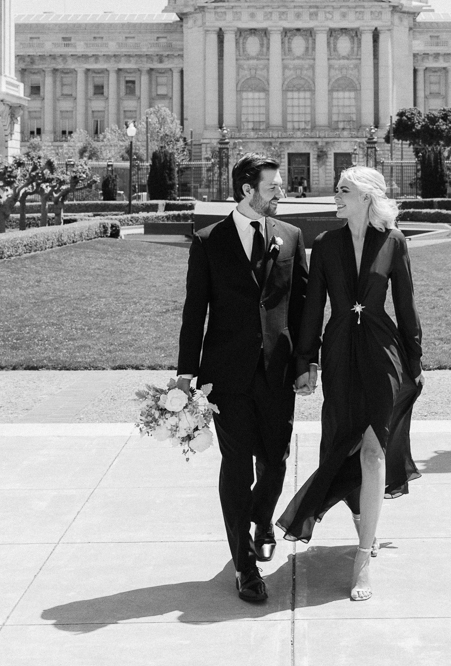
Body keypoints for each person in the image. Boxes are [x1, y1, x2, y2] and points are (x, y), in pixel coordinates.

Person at [276, 165, 423, 601]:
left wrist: (414, 361)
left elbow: (407, 305)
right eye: (338, 190)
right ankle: (365, 521)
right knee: (343, 442)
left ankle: (362, 558)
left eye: (343, 190)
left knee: (375, 449)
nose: (336, 195)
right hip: (340, 351)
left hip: (382, 352)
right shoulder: (325, 244)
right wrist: (307, 360)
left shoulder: (393, 242)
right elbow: (312, 309)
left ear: (365, 196)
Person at [176, 155, 308, 604]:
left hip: (278, 370)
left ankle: (261, 519)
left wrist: (309, 361)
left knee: (275, 462)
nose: (280, 192)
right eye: (272, 186)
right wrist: (184, 373)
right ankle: (245, 566)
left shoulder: (291, 237)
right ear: (247, 189)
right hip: (226, 377)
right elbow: (195, 311)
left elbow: (304, 308)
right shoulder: (208, 241)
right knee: (236, 466)